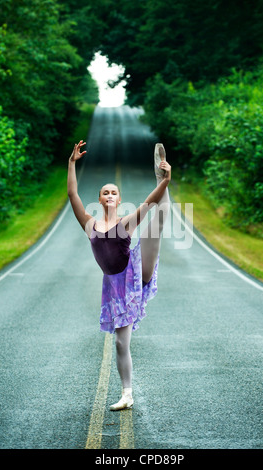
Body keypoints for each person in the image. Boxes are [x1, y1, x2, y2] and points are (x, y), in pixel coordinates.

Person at [67, 140, 171, 410]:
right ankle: (127, 394)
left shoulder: (125, 223)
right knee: (120, 343)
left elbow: (149, 203)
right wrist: (71, 163)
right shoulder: (90, 225)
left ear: (119, 198)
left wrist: (165, 181)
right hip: (115, 288)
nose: (110, 195)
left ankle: (162, 176)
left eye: (114, 192)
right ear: (100, 199)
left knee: (156, 222)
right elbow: (73, 197)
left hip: (135, 272)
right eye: (105, 192)